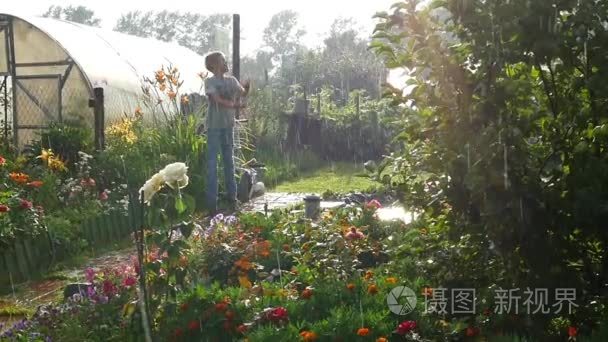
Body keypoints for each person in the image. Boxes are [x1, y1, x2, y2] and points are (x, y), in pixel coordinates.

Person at [203, 51, 250, 214]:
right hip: (214, 128)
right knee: (212, 165)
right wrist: (235, 106)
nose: (226, 63)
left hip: (228, 126)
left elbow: (242, 92)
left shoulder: (232, 81)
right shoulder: (210, 81)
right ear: (214, 65)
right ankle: (212, 206)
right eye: (223, 60)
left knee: (229, 162)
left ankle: (232, 200)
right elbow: (216, 99)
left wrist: (247, 88)